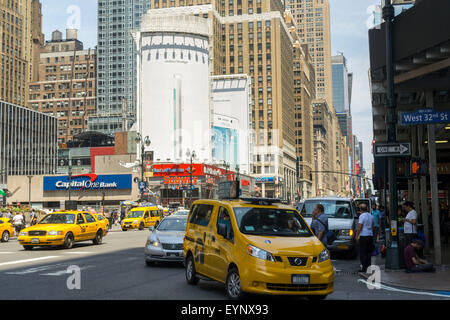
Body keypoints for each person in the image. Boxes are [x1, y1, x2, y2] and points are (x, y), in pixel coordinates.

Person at [356, 203, 374, 273]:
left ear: (360, 209)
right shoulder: (371, 216)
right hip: (370, 235)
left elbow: (360, 226)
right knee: (368, 253)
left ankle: (364, 267)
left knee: (362, 252)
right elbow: (372, 226)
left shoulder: (362, 216)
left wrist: (357, 235)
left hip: (364, 235)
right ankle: (368, 267)